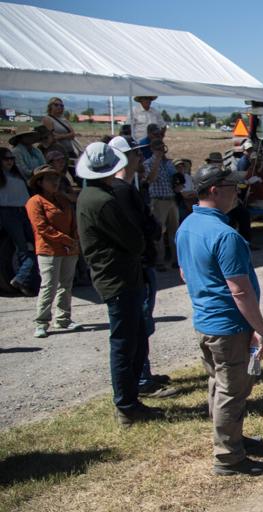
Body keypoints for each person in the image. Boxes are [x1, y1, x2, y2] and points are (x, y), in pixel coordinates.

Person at [175, 164, 263, 476]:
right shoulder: (225, 235)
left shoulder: (187, 225)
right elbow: (240, 290)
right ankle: (229, 457)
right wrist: (259, 329)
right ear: (214, 190)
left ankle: (232, 439)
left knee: (218, 384)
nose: (237, 193)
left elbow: (184, 273)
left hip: (206, 322)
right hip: (229, 326)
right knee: (233, 389)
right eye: (232, 187)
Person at [75, 142, 163, 426]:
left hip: (118, 275)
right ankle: (126, 404)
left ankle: (131, 399)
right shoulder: (103, 200)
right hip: (119, 277)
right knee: (126, 342)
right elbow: (133, 239)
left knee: (133, 337)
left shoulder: (90, 195)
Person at [107, 136, 177, 399]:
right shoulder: (122, 191)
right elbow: (142, 228)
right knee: (138, 324)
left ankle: (143, 373)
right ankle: (141, 379)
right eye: (135, 154)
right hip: (137, 266)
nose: (140, 157)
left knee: (142, 323)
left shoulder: (127, 188)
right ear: (125, 157)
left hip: (142, 264)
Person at [25, 165, 80, 338]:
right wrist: (67, 240)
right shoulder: (35, 201)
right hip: (49, 250)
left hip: (69, 249)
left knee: (66, 284)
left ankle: (63, 319)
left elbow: (73, 221)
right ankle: (41, 322)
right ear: (40, 182)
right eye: (50, 179)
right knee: (49, 285)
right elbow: (41, 228)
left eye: (56, 178)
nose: (55, 182)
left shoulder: (62, 199)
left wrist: (74, 240)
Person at [0, 147, 38, 296]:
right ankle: (23, 280)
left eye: (12, 159)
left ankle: (23, 279)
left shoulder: (17, 174)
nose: (10, 161)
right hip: (7, 212)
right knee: (22, 247)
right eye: (6, 159)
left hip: (23, 210)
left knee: (35, 246)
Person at [143, 138, 178, 269]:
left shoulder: (168, 164)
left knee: (174, 231)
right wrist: (157, 161)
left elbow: (174, 179)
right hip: (158, 200)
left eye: (162, 148)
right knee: (159, 231)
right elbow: (150, 179)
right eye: (158, 148)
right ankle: (159, 261)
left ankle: (176, 259)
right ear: (152, 149)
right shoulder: (148, 163)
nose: (161, 150)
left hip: (171, 198)